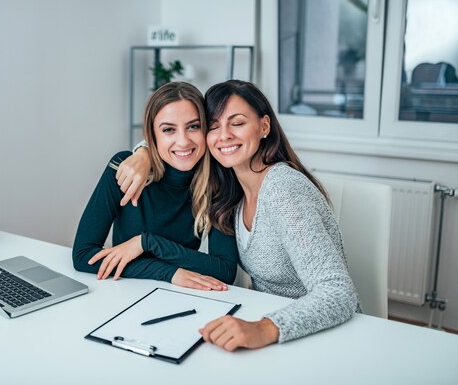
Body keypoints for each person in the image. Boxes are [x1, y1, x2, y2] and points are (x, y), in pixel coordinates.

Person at [116, 80, 360, 349]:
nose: (224, 136)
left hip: (323, 336)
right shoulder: (231, 191)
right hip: (278, 334)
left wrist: (265, 327)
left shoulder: (282, 188)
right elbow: (179, 136)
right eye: (213, 126)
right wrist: (145, 151)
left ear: (264, 126)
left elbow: (339, 293)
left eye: (238, 123)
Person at [72, 82, 238, 291]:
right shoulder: (125, 169)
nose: (183, 141)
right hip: (121, 291)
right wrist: (168, 272)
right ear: (153, 135)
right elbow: (83, 256)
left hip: (179, 296)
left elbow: (225, 270)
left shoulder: (219, 181)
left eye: (193, 126)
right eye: (169, 130)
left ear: (205, 129)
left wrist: (146, 243)